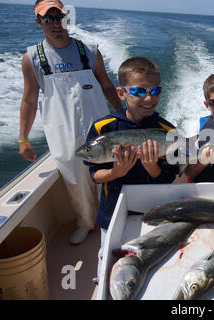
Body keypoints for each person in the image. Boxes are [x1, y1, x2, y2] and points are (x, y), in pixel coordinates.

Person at [19, 0, 123, 245]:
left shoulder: (89, 49)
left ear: (66, 17)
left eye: (59, 17)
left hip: (98, 125)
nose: (55, 23)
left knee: (108, 172)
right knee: (74, 179)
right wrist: (23, 138)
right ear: (39, 22)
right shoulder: (31, 57)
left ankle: (111, 220)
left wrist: (122, 116)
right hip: (61, 129)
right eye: (48, 18)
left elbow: (106, 85)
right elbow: (30, 100)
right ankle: (85, 223)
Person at [84, 57, 179, 279]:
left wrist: (152, 167)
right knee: (107, 261)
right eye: (139, 91)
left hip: (153, 211)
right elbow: (95, 175)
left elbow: (168, 178)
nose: (149, 98)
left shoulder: (168, 131)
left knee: (150, 261)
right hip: (112, 211)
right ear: (121, 93)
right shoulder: (102, 128)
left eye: (155, 91)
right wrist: (116, 173)